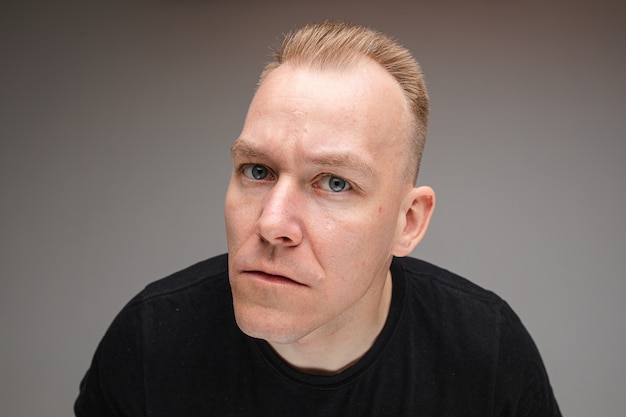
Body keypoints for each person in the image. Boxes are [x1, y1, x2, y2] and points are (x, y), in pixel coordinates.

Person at [75, 21, 561, 416]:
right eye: (258, 170)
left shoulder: (487, 355)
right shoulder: (151, 342)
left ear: (407, 222)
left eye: (334, 182)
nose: (272, 223)